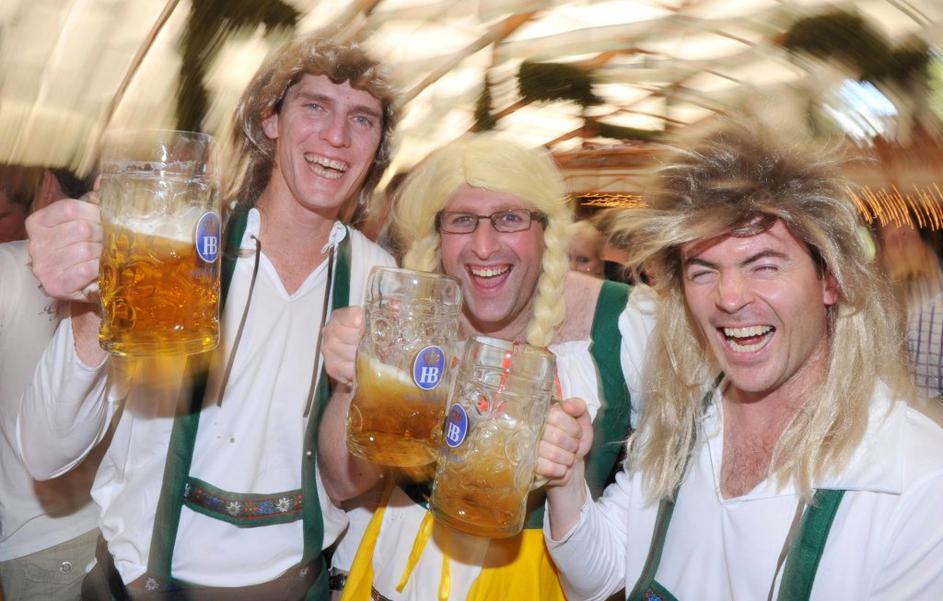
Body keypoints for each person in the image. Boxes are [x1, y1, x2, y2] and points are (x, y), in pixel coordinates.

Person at [16, 32, 399, 600]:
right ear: (270, 119)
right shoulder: (176, 244)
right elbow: (46, 454)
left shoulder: (378, 276)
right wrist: (92, 307)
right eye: (315, 106)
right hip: (145, 586)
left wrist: (357, 388)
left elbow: (350, 483)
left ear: (377, 145)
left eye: (362, 119)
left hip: (296, 586)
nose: (337, 136)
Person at [537, 119, 943, 599]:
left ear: (831, 280)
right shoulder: (681, 421)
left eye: (764, 265)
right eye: (703, 270)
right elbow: (601, 576)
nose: (729, 298)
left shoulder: (914, 481)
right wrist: (567, 479)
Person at [317, 133, 655, 600]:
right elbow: (342, 484)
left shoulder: (626, 322)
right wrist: (349, 384)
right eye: (461, 221)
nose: (483, 246)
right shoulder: (413, 315)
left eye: (509, 218)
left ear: (546, 230)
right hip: (390, 580)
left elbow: (666, 491)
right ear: (437, 235)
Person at [0, 167, 101, 601]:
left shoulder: (7, 269)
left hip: (43, 547)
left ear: (47, 186)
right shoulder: (147, 273)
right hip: (128, 533)